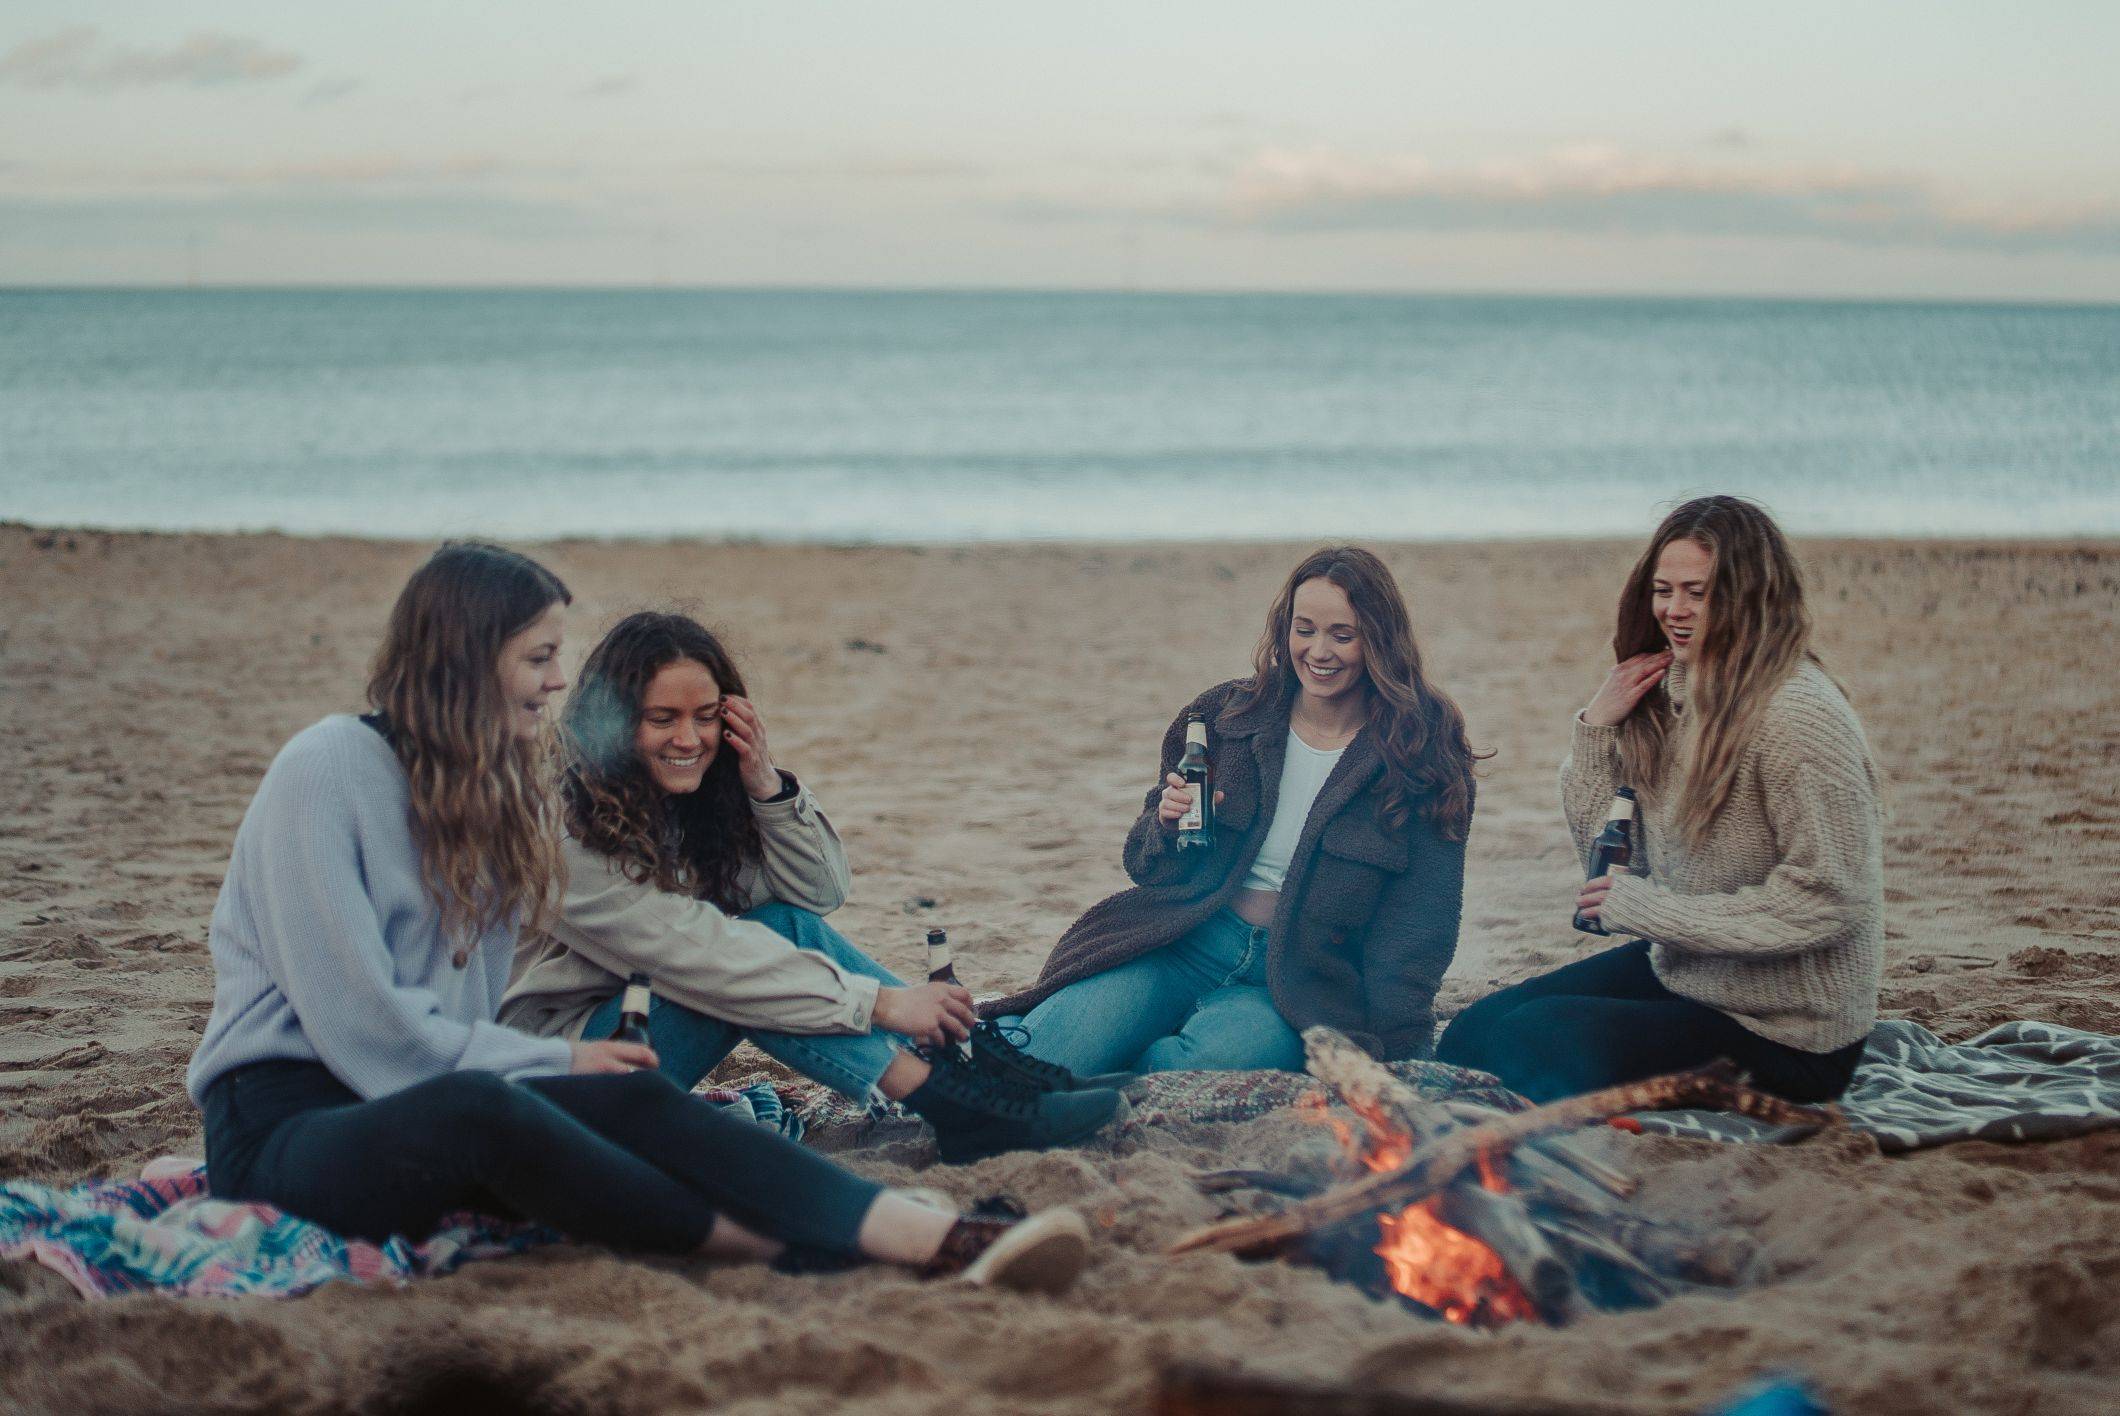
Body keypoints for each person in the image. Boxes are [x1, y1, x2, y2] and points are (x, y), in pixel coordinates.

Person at [184, 543, 1089, 1290]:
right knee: (496, 1101)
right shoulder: (327, 766)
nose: (557, 681)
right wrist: (554, 1058)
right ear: (465, 659)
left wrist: (765, 788)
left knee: (616, 1093)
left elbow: (804, 896)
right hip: (289, 1129)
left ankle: (935, 1233)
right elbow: (368, 1032)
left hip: (435, 1107)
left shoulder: (498, 805)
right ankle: (780, 1244)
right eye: (538, 657)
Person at [499, 611, 1126, 1164]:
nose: (689, 740)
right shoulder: (560, 827)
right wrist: (879, 1002)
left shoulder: (690, 803)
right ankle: (959, 1102)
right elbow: (694, 954)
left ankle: (982, 1074)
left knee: (779, 927)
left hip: (644, 1028)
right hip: (554, 1075)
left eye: (707, 717)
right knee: (754, 951)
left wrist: (766, 785)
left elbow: (819, 892)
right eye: (662, 719)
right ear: (612, 721)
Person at [1437, 496, 1882, 1103]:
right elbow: (1620, 865)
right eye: (1663, 590)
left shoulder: (1798, 719)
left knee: (1527, 1044)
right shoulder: (1673, 692)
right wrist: (1596, 729)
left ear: (1751, 595)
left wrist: (1651, 914)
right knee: (1470, 1037)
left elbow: (1832, 900)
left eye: (1699, 593)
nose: (1675, 611)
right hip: (1692, 974)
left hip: (1790, 1033)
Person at [986, 546, 1482, 1074]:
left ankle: (1121, 1061)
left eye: (1343, 635)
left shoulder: (1422, 756)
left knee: (1204, 1065)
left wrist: (1401, 1044)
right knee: (1046, 1057)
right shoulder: (1223, 717)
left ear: (1379, 640)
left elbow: (1421, 923)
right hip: (1184, 940)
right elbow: (1147, 868)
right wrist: (1166, 825)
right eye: (1304, 628)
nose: (1318, 651)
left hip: (1293, 983)